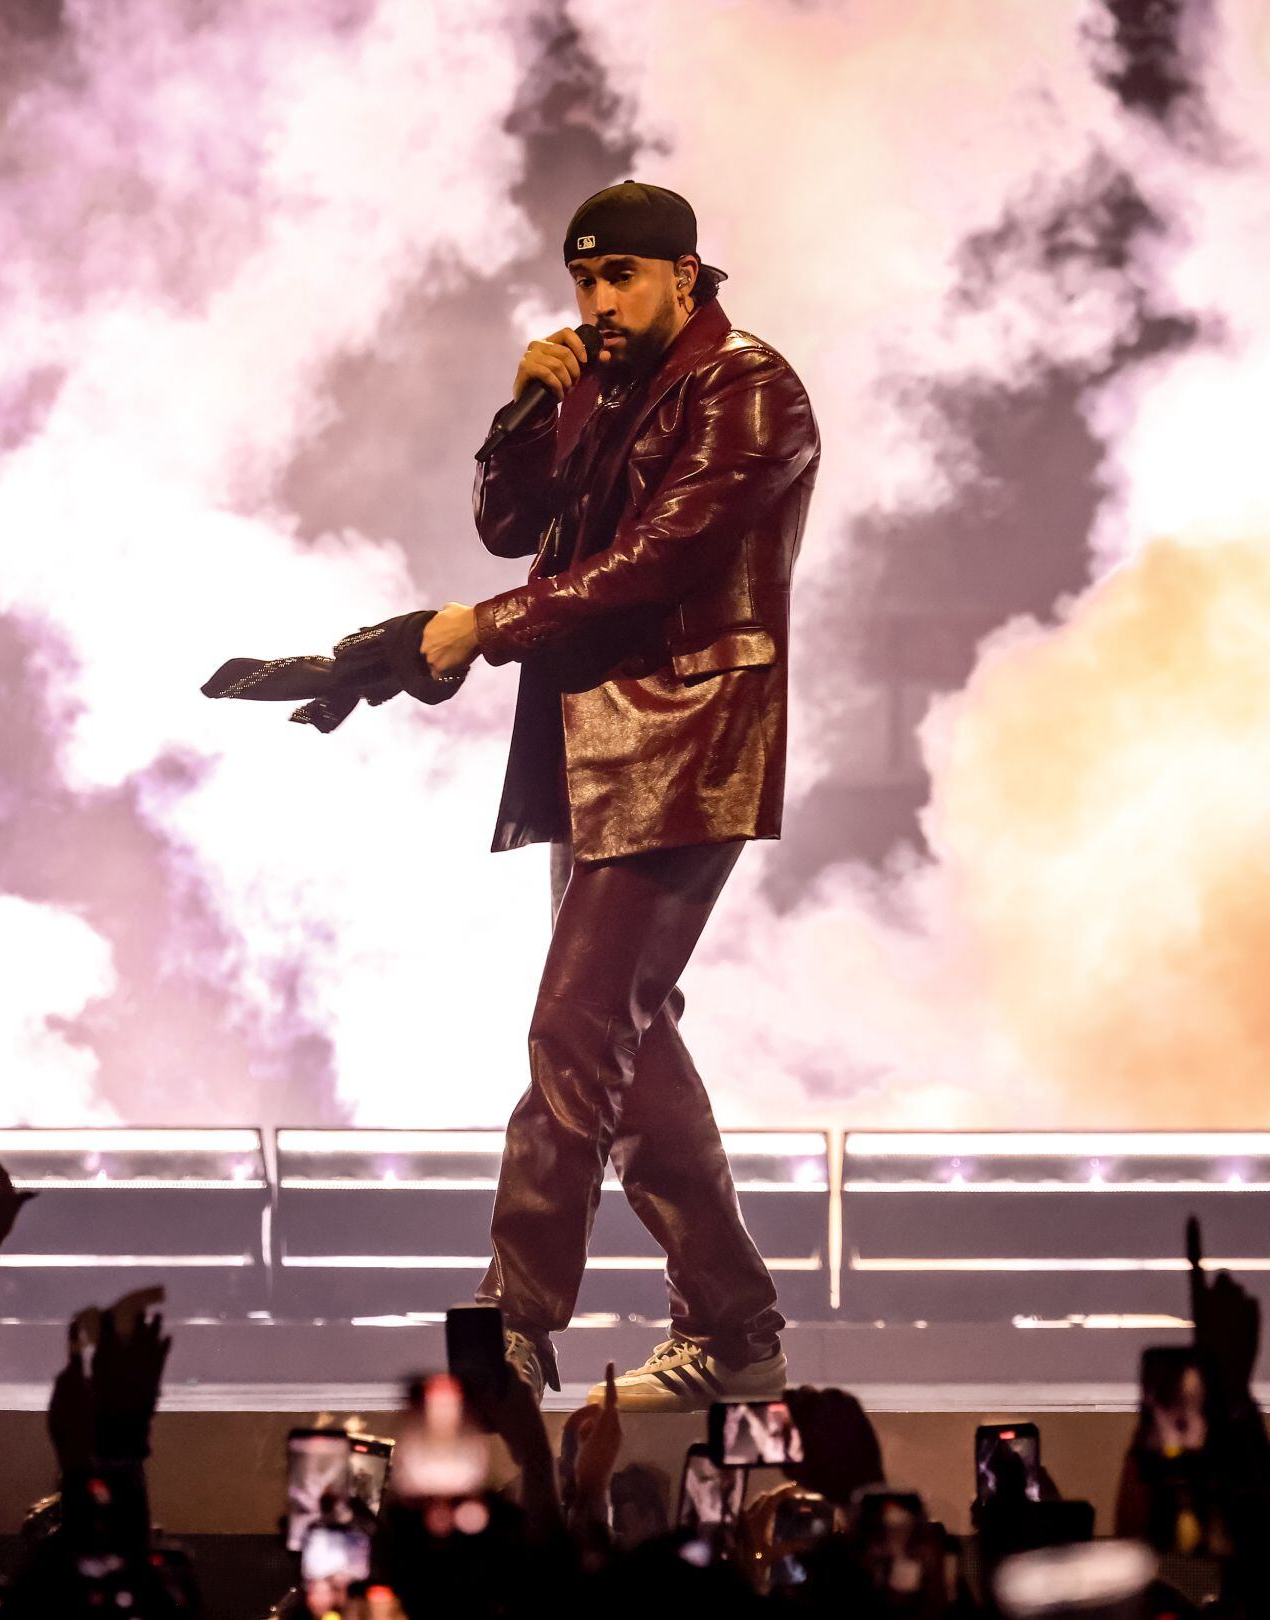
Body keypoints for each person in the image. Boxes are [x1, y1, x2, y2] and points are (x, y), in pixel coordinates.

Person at [419, 179, 821, 1414]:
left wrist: (484, 629)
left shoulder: (750, 389)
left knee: (578, 1030)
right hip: (595, 745)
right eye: (584, 278)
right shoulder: (596, 385)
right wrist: (524, 412)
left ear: (683, 276)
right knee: (625, 1045)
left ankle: (513, 1319)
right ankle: (733, 1332)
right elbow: (507, 525)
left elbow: (658, 561)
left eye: (620, 277)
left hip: (687, 743)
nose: (597, 300)